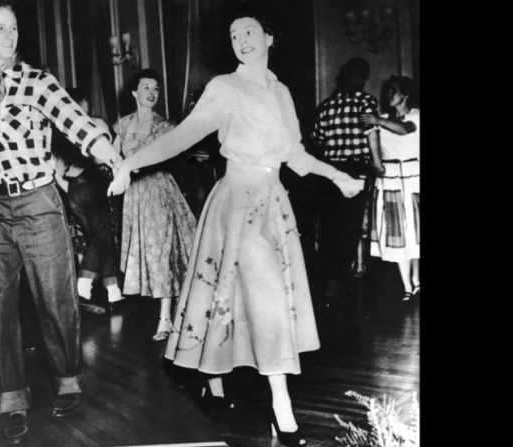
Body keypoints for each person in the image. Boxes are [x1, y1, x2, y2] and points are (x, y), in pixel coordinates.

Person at [107, 9, 364, 446]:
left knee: (237, 297)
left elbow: (295, 155)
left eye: (249, 32)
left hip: (273, 203)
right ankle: (280, 405)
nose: (241, 39)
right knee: (253, 298)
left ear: (269, 37)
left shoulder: (280, 91)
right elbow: (183, 136)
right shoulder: (224, 88)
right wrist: (129, 164)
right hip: (237, 201)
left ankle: (220, 383)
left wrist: (336, 175)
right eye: (233, 34)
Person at [0, 3, 124, 444]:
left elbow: (76, 123)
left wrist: (111, 156)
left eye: (13, 27)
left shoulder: (38, 81)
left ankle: (68, 377)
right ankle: (12, 397)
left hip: (38, 201)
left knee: (55, 299)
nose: (8, 34)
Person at [112, 68, 197, 341]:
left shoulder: (165, 126)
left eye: (155, 88)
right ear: (135, 92)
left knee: (162, 254)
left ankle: (165, 318)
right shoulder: (123, 125)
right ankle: (169, 314)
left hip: (159, 192)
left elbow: (172, 155)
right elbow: (113, 158)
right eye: (146, 87)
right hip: (134, 197)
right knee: (147, 255)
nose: (151, 92)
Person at [309, 57, 385, 308]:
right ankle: (337, 285)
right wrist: (376, 163)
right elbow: (371, 133)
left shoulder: (327, 105)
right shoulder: (366, 101)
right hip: (357, 168)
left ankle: (330, 284)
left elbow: (317, 140)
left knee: (330, 226)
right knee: (350, 227)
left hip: (331, 170)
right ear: (363, 79)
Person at [51, 88, 125, 309]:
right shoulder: (95, 124)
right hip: (95, 183)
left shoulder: (61, 130)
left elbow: (58, 169)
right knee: (102, 236)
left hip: (75, 187)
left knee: (101, 237)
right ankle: (83, 288)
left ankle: (113, 292)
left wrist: (68, 188)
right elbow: (105, 155)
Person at [361, 75, 420, 301]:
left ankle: (416, 279)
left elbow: (405, 129)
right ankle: (407, 285)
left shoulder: (415, 116)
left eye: (393, 90)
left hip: (414, 179)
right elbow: (373, 143)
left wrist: (377, 120)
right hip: (390, 181)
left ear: (404, 94)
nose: (388, 94)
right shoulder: (380, 120)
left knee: (415, 233)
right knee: (398, 234)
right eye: (387, 90)